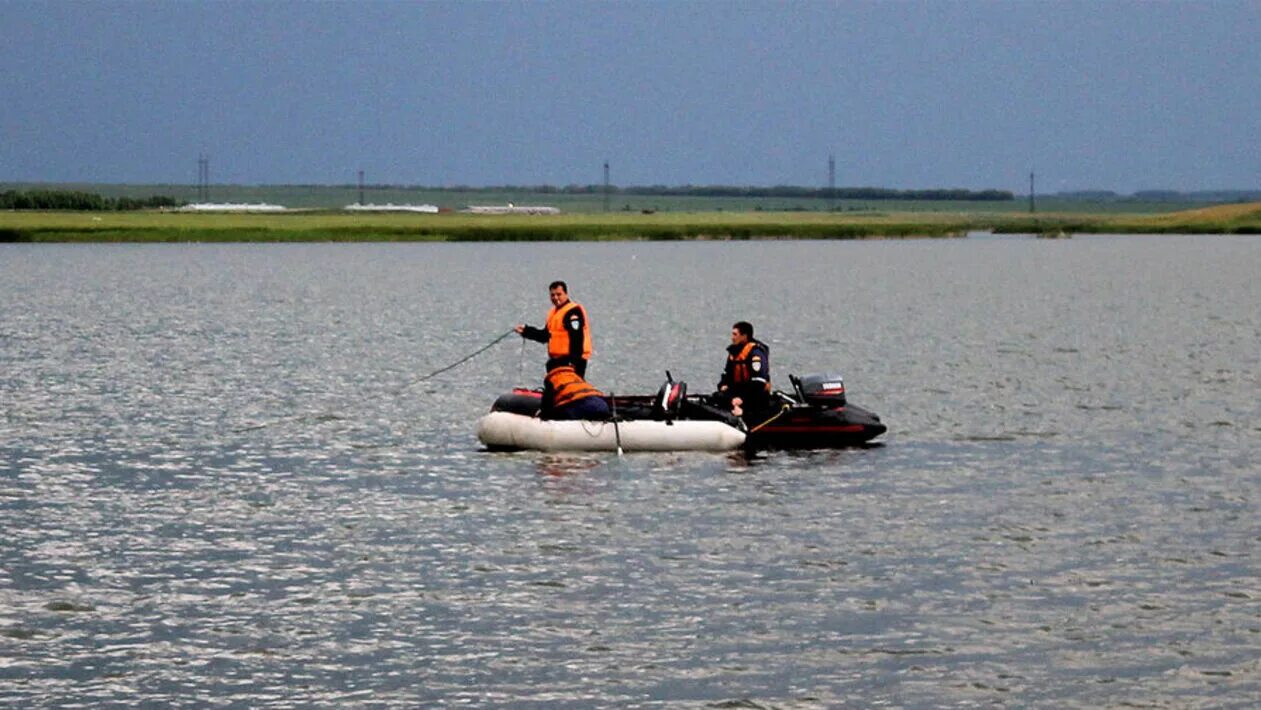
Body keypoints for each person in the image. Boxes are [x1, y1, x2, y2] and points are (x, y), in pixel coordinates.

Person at [515, 280, 592, 377]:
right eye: (552, 295)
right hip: (557, 360)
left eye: (559, 294)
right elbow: (545, 336)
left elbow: (577, 339)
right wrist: (526, 331)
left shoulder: (573, 312)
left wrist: (573, 363)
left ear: (566, 294)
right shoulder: (554, 313)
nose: (555, 298)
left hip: (572, 361)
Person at [715, 321, 770, 417]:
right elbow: (727, 375)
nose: (732, 338)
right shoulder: (734, 353)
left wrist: (743, 399)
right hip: (738, 391)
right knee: (718, 396)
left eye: (735, 334)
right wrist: (722, 385)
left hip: (754, 394)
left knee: (754, 401)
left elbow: (759, 383)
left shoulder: (755, 354)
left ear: (744, 336)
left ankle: (742, 413)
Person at [540, 363, 611, 421]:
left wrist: (543, 416)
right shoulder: (576, 376)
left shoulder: (552, 380)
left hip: (580, 409)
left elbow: (547, 404)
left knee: (557, 413)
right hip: (602, 405)